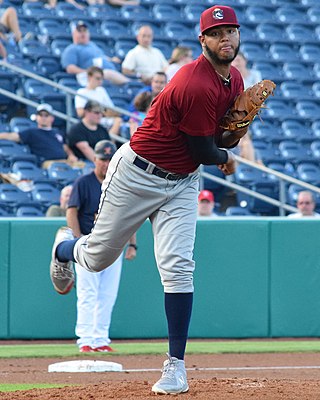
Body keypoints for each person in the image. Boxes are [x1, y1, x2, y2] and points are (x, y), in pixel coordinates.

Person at [50, 5, 248, 395]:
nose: (226, 38)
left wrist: (234, 135)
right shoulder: (193, 83)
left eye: (232, 31)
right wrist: (227, 156)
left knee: (178, 267)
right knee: (97, 257)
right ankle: (63, 248)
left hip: (182, 181)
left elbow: (220, 139)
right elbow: (206, 150)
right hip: (138, 175)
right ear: (202, 40)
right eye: (217, 32)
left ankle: (175, 366)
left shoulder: (234, 80)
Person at [67, 140, 137, 353]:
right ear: (94, 159)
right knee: (88, 293)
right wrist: (77, 239)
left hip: (114, 245)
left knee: (107, 294)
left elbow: (130, 215)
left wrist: (133, 244)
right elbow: (71, 211)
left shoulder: (120, 182)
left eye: (109, 159)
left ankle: (100, 338)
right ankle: (86, 339)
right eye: (102, 158)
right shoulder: (84, 182)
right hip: (89, 242)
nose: (106, 163)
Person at [0, 103, 77, 165]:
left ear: (52, 118)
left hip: (65, 162)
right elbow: (13, 136)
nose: (43, 117)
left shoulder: (57, 132)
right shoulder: (32, 132)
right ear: (37, 117)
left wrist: (71, 155)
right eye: (41, 115)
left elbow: (65, 148)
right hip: (48, 163)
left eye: (46, 115)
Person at [61, 21, 130, 86]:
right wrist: (88, 73)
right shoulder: (71, 49)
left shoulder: (92, 45)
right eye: (79, 31)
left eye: (85, 31)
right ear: (74, 34)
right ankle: (130, 83)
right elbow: (70, 68)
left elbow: (101, 57)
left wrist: (111, 59)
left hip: (107, 73)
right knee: (106, 73)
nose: (83, 33)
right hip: (92, 76)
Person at [231, 51, 263, 164]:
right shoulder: (230, 76)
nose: (236, 63)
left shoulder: (255, 74)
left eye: (239, 60)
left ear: (245, 61)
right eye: (234, 61)